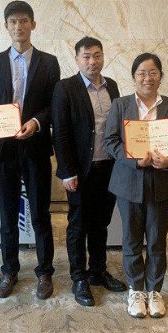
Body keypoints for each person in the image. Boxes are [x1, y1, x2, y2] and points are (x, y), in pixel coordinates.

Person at [0, 0, 61, 299]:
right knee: (7, 215)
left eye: (24, 21)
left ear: (33, 24)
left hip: (36, 147)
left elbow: (53, 105)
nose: (19, 26)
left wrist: (35, 122)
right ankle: (10, 271)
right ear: (6, 26)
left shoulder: (49, 62)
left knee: (40, 213)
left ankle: (45, 272)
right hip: (3, 151)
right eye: (13, 21)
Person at [104, 53, 168, 319]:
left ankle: (154, 290)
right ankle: (136, 290)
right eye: (141, 73)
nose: (147, 78)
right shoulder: (121, 104)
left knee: (157, 239)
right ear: (133, 77)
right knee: (131, 239)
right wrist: (134, 160)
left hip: (162, 182)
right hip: (129, 181)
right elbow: (111, 141)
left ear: (160, 76)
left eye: (153, 72)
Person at [51, 37, 127, 307]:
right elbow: (60, 132)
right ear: (77, 59)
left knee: (101, 222)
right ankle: (79, 277)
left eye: (97, 55)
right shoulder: (65, 88)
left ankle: (98, 271)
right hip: (80, 171)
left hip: (108, 167)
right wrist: (67, 171)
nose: (92, 61)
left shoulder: (112, 86)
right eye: (86, 56)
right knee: (78, 224)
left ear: (103, 56)